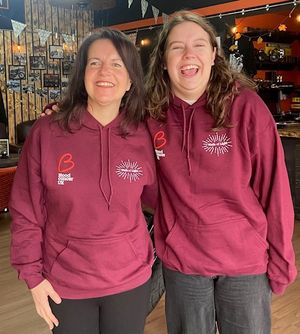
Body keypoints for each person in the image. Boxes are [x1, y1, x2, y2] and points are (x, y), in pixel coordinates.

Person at [144, 10, 297, 334]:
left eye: (199, 45)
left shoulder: (246, 107)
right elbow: (111, 140)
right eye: (176, 47)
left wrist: (283, 260)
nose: (188, 54)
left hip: (244, 263)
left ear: (214, 55)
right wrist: (62, 117)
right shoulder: (150, 114)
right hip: (183, 264)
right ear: (163, 59)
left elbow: (275, 190)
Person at [9, 28, 157, 334]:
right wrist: (32, 277)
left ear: (131, 80)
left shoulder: (145, 135)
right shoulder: (47, 133)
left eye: (117, 64)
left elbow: (165, 199)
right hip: (66, 282)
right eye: (94, 63)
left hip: (129, 280)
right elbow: (26, 211)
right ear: (82, 74)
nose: (105, 72)